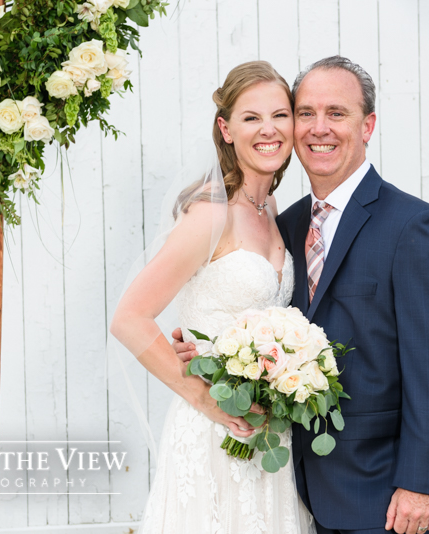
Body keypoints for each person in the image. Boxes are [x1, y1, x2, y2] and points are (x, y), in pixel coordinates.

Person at [175, 56, 429, 534]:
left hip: (381, 496)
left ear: (367, 125)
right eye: (305, 113)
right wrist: (206, 355)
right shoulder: (285, 225)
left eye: (337, 113)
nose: (319, 128)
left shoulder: (416, 228)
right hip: (288, 486)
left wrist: (422, 484)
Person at [109, 61, 315, 533]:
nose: (269, 129)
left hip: (268, 435)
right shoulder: (210, 212)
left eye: (280, 115)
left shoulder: (271, 209)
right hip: (215, 433)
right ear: (226, 129)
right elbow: (129, 318)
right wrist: (207, 402)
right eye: (251, 117)